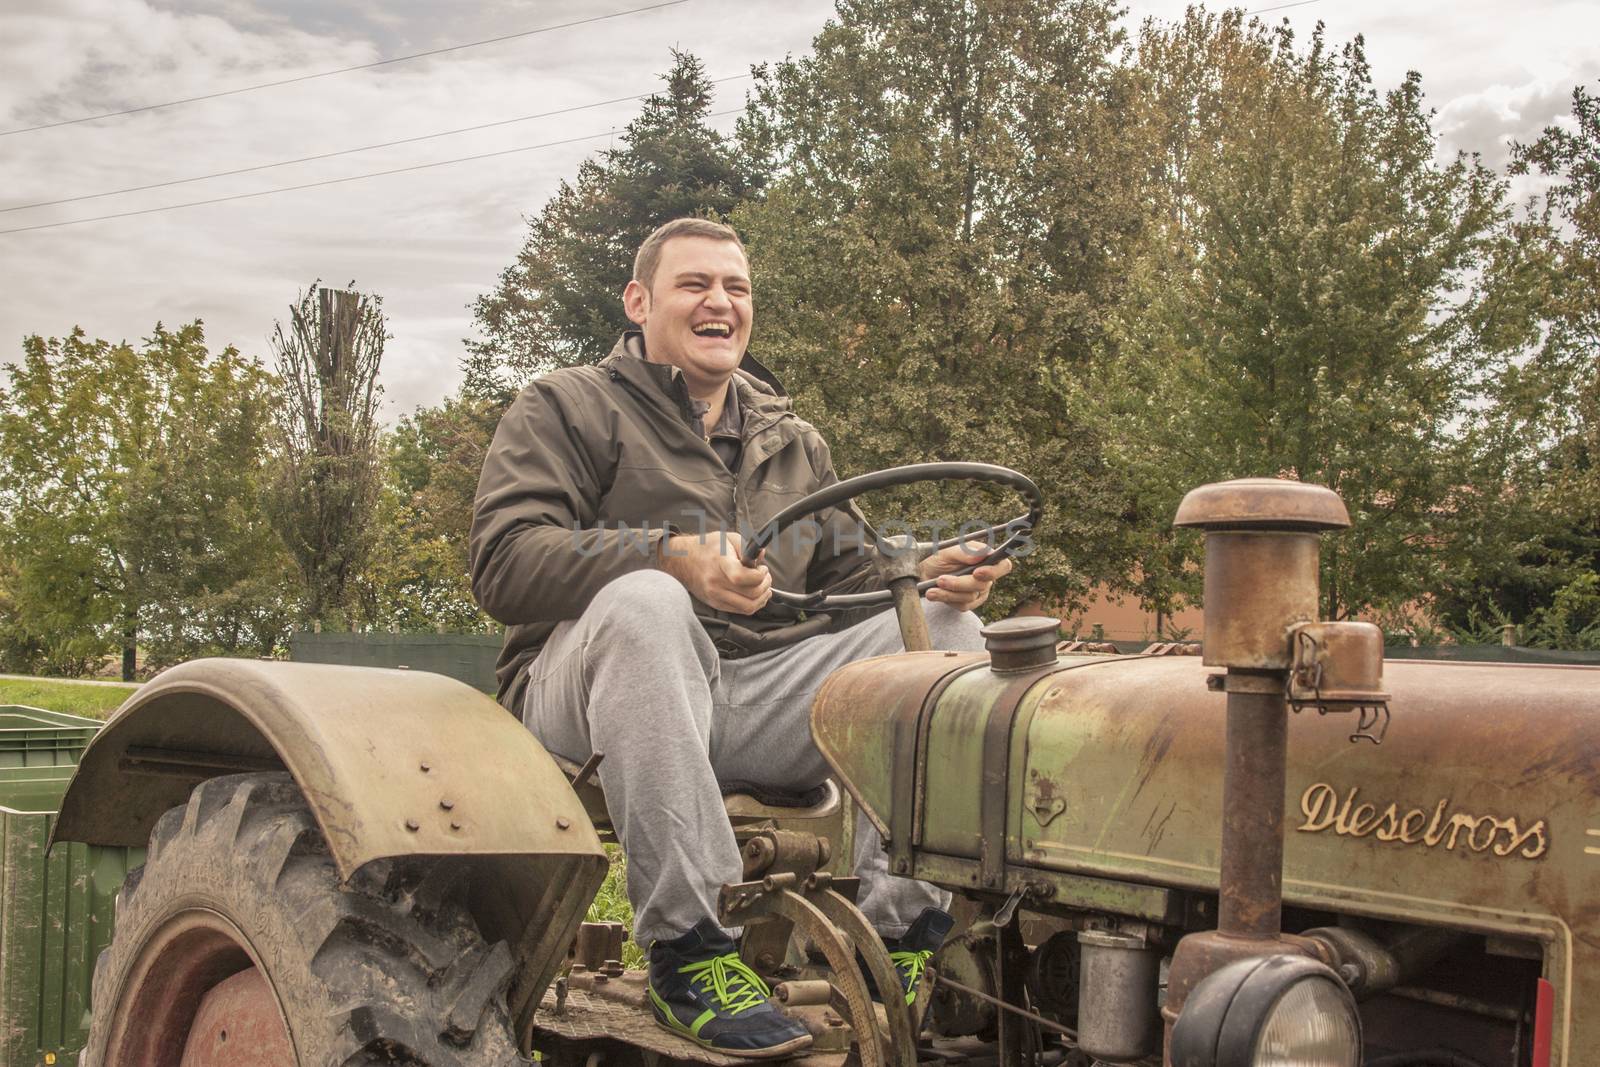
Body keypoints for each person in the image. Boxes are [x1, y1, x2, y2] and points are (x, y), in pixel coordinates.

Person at [470, 217, 1014, 1058]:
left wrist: (921, 568)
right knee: (648, 602)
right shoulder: (568, 405)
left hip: (751, 691)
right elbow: (503, 562)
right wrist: (670, 557)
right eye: (695, 284)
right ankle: (689, 950)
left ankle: (894, 946)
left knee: (945, 626)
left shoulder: (790, 439)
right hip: (583, 695)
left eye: (736, 287)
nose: (720, 301)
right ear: (640, 301)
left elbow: (843, 581)